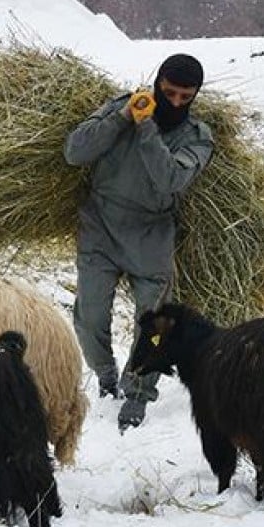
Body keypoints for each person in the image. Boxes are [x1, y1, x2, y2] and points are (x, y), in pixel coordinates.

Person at [63, 53, 214, 432]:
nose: (176, 102)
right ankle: (105, 373)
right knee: (90, 313)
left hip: (151, 234)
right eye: (169, 93)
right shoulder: (124, 107)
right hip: (101, 224)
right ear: (157, 82)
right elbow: (74, 152)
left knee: (156, 322)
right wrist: (122, 118)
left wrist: (146, 128)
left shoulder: (197, 137)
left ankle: (138, 391)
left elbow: (170, 180)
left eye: (186, 97)